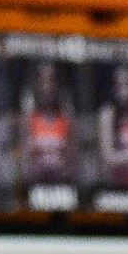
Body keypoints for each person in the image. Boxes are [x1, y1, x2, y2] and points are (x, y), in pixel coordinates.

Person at [19, 59, 77, 187]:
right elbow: (25, 160)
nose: (47, 87)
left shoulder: (65, 118)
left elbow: (72, 160)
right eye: (42, 81)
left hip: (63, 185)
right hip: (35, 184)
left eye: (51, 81)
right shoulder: (30, 117)